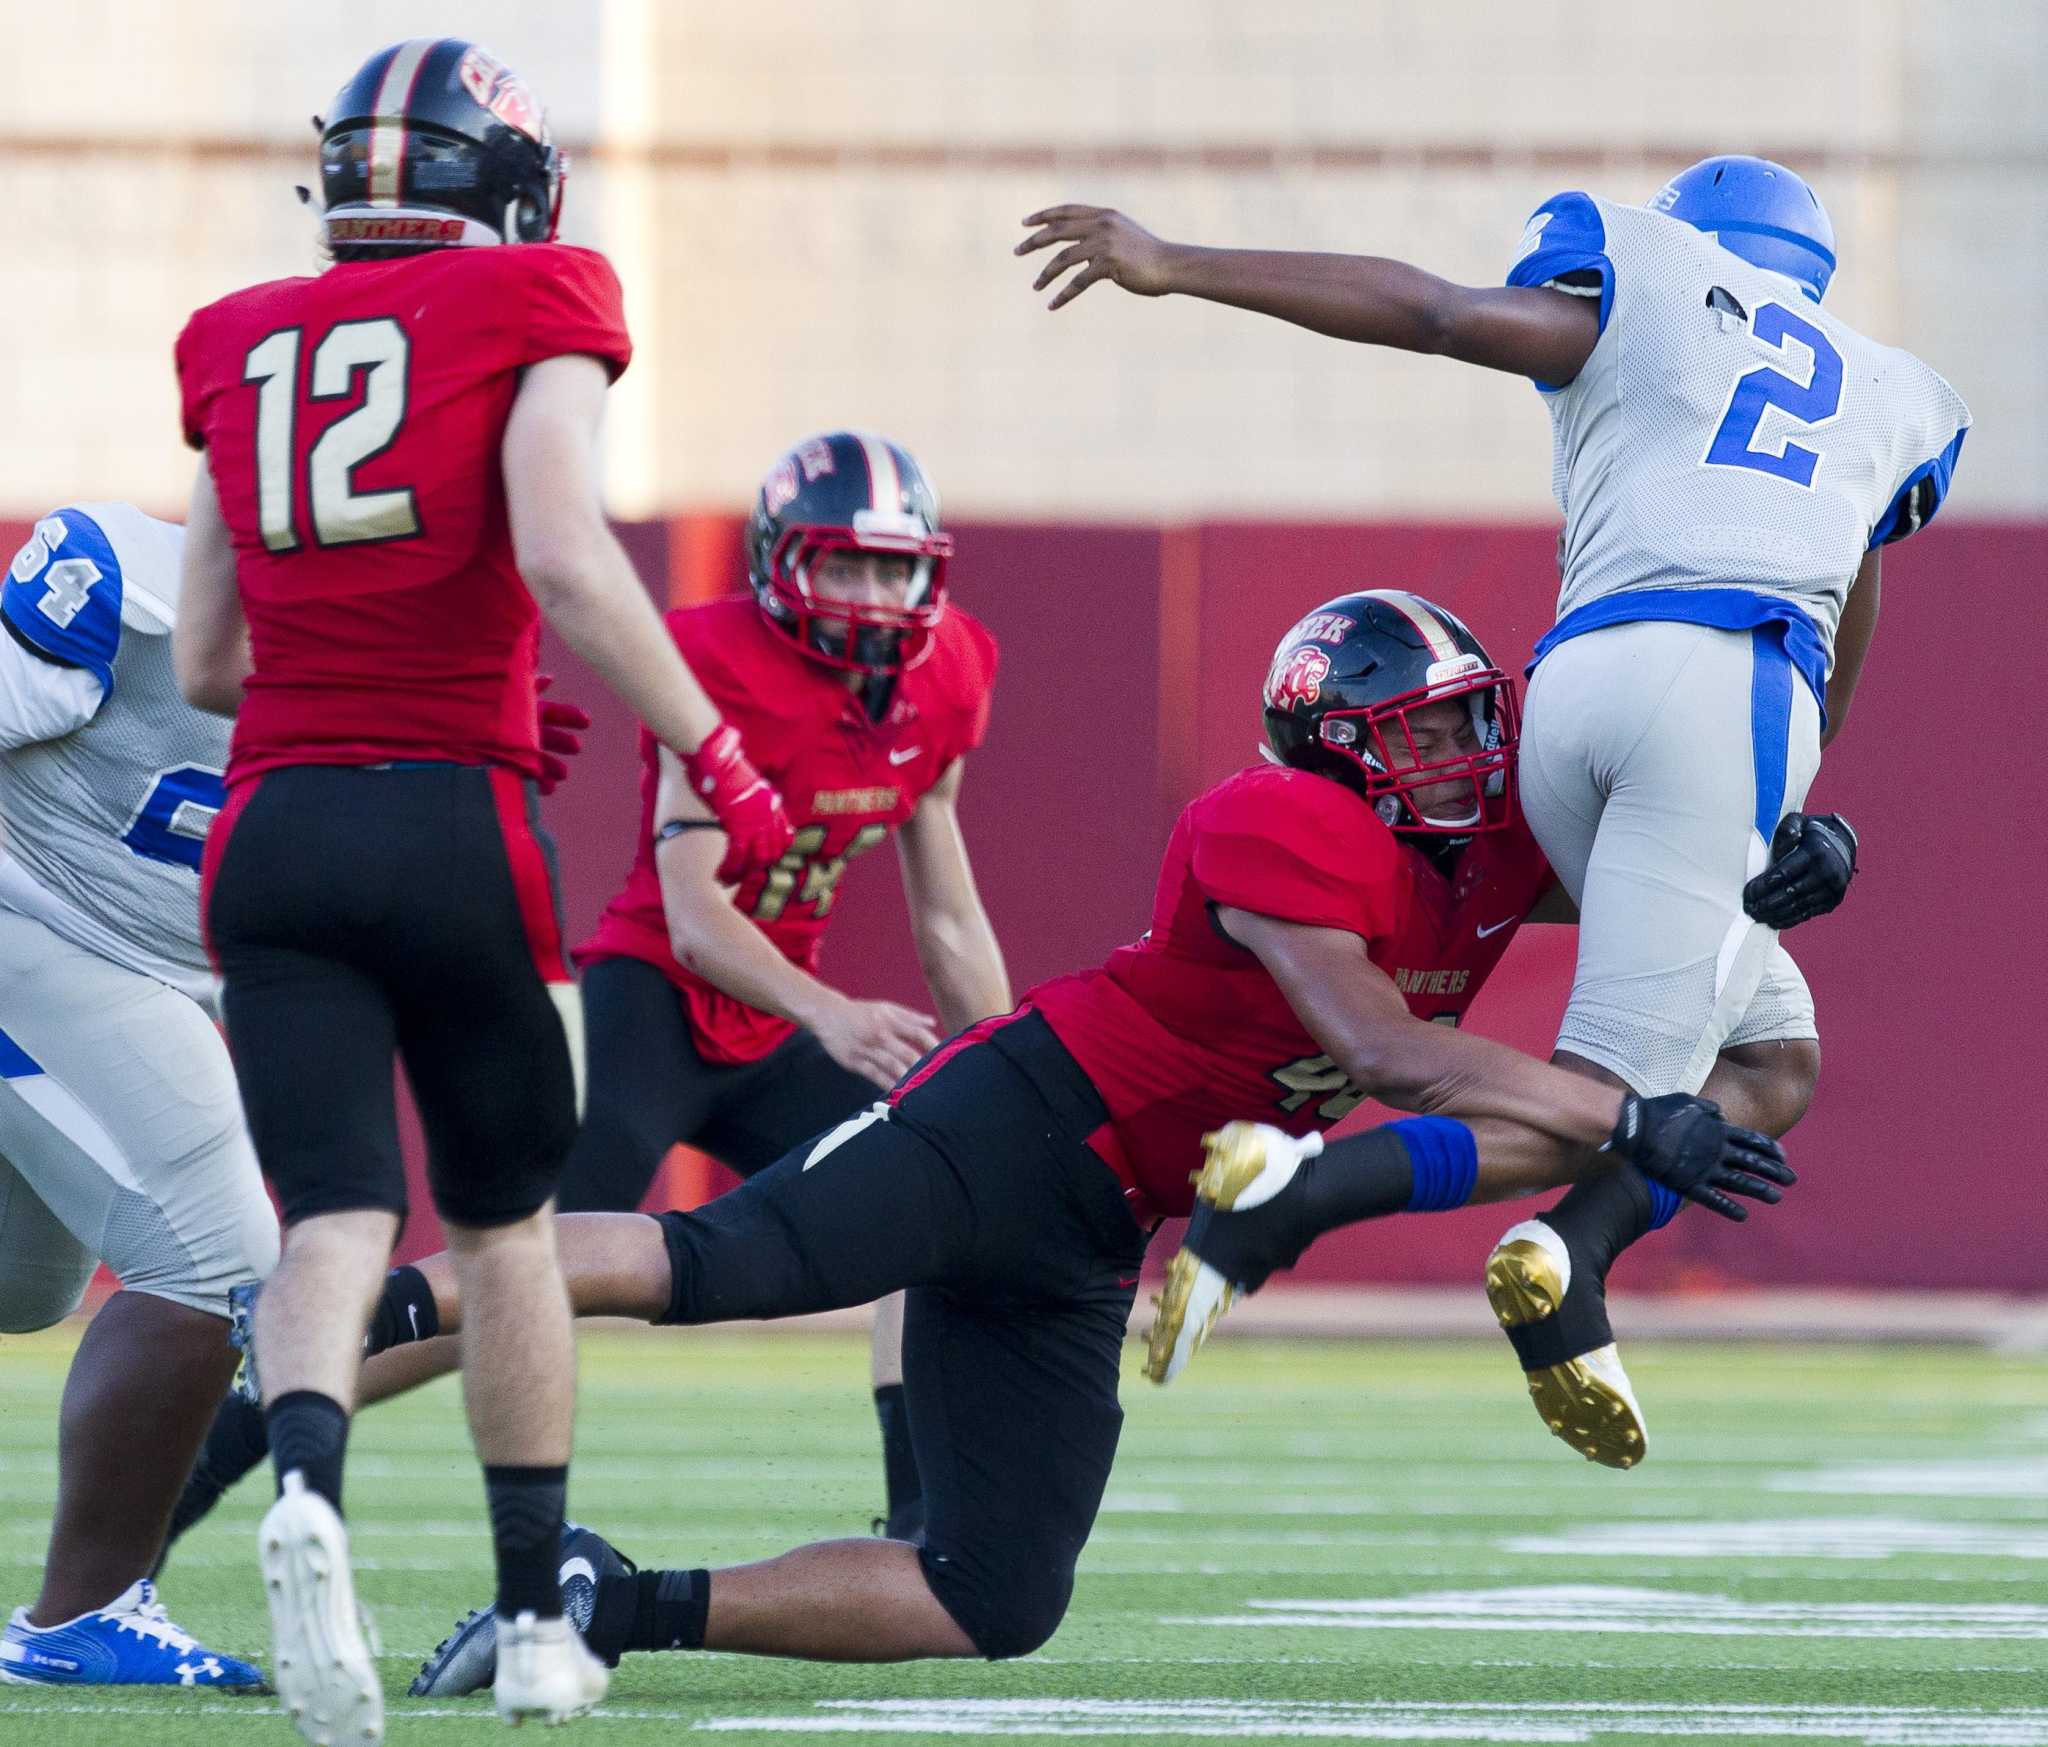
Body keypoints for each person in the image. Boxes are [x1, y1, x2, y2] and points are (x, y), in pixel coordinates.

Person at [399, 591, 1791, 1687]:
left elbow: (1653, 883)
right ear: (1338, 747)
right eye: (1424, 732)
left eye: (1473, 721)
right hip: (1012, 1120)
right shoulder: (1282, 820)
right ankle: (381, 1294)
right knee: (713, 1263)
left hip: (1100, 1222)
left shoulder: (1486, 844)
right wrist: (1624, 1114)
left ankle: (607, 1597)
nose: (1467, 757)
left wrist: (1764, 865)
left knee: (992, 1594)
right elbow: (1390, 1052)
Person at [1014, 155, 1965, 1463]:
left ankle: (1551, 1244)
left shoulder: (1660, 292)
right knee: (1610, 1099)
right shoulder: (1886, 388)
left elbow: (1439, 313)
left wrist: (1177, 265)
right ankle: (1322, 1204)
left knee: (1766, 1062)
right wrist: (1786, 788)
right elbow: (1839, 598)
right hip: (1727, 686)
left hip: (1567, 690)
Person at [171, 38, 793, 1739]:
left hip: (275, 822)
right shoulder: (543, 291)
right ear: (501, 183)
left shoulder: (229, 339)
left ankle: (308, 1487)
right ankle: (532, 1616)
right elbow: (558, 548)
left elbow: (211, 653)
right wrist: (714, 750)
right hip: (450, 815)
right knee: (505, 1222)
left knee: (329, 1217)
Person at [165, 430, 1007, 1555]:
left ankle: (918, 1528)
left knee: (927, 1198)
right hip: (652, 998)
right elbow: (695, 914)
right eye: (839, 564)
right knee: (515, 1277)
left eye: (887, 568)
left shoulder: (949, 668)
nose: (866, 593)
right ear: (776, 564)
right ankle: (217, 1443)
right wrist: (830, 1011)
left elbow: (945, 906)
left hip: (775, 1023)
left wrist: (998, 1070)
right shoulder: (714, 657)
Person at [0, 505, 271, 1690]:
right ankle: (81, 1618)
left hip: (157, 976)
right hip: (31, 918)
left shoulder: (411, 665)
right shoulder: (129, 581)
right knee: (212, 1254)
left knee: (21, 1288)